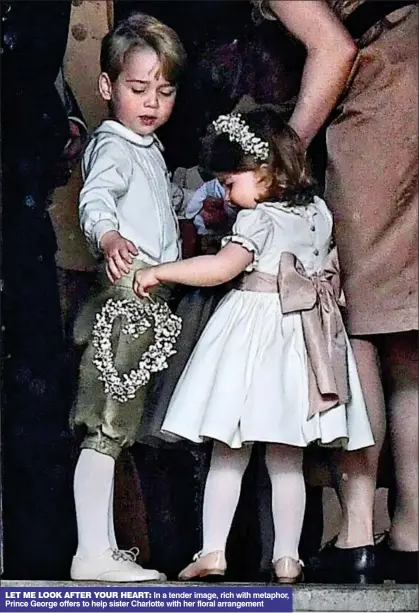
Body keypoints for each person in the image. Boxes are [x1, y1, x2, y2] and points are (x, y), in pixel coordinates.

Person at [133, 107, 375, 583]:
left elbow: (222, 269)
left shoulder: (257, 220)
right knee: (287, 457)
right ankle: (288, 556)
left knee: (229, 449)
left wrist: (160, 271)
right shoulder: (317, 212)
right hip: (305, 342)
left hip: (255, 337)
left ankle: (213, 551)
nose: (226, 192)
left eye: (229, 182)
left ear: (264, 172)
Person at [253, 0, 418, 584]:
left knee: (355, 320)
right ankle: (410, 531)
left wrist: (280, 157)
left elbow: (334, 47)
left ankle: (354, 535)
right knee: (405, 322)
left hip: (386, 90)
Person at [69, 13, 187, 582]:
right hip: (127, 292)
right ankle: (90, 551)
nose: (151, 102)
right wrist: (109, 234)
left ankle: (102, 548)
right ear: (106, 87)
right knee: (108, 424)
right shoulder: (114, 145)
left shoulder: (148, 147)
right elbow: (97, 200)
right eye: (138, 89)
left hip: (149, 294)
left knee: (123, 425)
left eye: (164, 91)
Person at [1, 0, 86, 579]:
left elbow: (37, 72)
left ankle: (41, 565)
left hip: (20, 199)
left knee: (33, 387)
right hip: (20, 193)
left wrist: (64, 122)